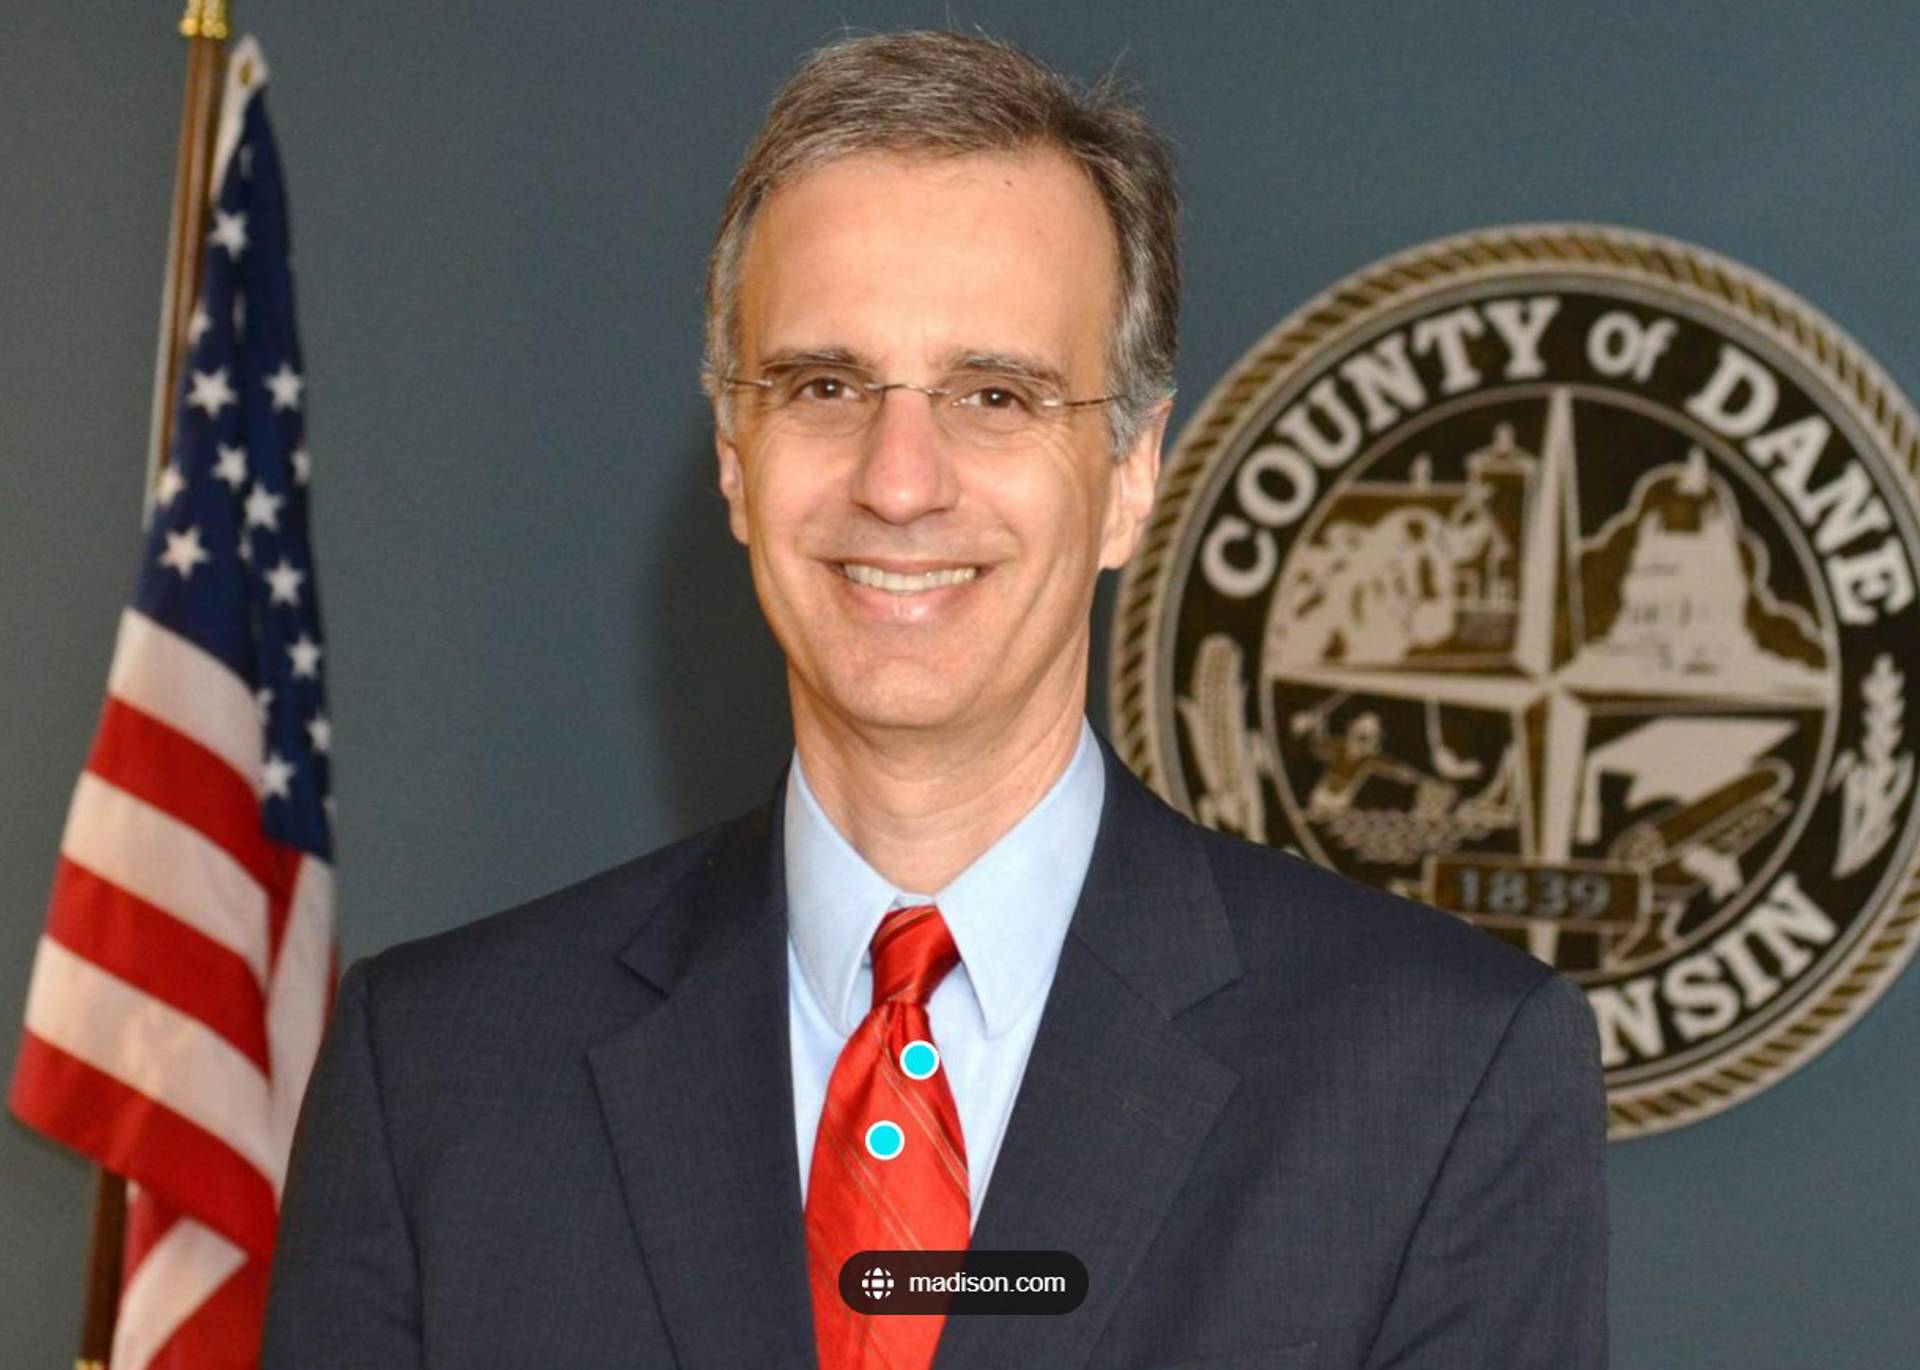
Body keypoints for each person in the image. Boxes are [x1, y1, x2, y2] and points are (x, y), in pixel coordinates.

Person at [263, 30, 1607, 1369]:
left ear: (1132, 474)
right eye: (826, 385)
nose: (899, 481)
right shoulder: (435, 1074)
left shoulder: (1440, 1081)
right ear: (736, 456)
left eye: (993, 393)